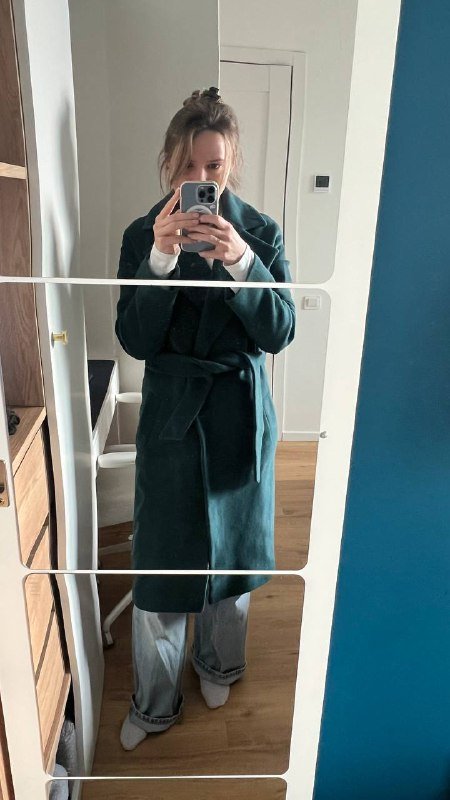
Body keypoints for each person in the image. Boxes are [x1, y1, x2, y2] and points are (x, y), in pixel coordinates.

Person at [115, 87, 295, 750]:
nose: (200, 180)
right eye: (187, 166)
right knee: (161, 563)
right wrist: (159, 264)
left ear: (230, 164)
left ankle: (220, 663)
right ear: (169, 163)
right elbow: (135, 339)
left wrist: (242, 264)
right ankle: (154, 703)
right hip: (171, 414)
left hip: (238, 412)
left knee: (232, 558)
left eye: (212, 167)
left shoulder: (261, 233)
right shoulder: (142, 236)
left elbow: (280, 332)